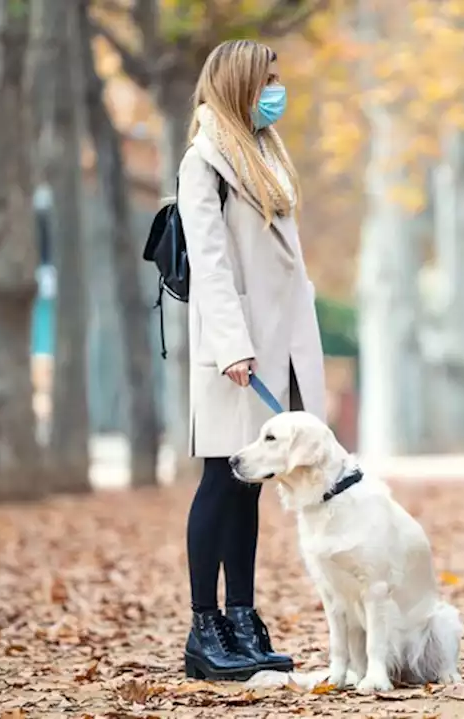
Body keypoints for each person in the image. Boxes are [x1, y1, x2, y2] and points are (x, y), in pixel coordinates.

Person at [177, 39, 327, 682]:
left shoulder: (265, 154)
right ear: (240, 84)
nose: (277, 88)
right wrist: (233, 345)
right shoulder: (203, 161)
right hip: (237, 349)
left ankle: (243, 617)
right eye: (267, 79)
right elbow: (210, 264)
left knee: (251, 488)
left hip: (282, 343)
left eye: (278, 77)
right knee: (221, 482)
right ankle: (204, 626)